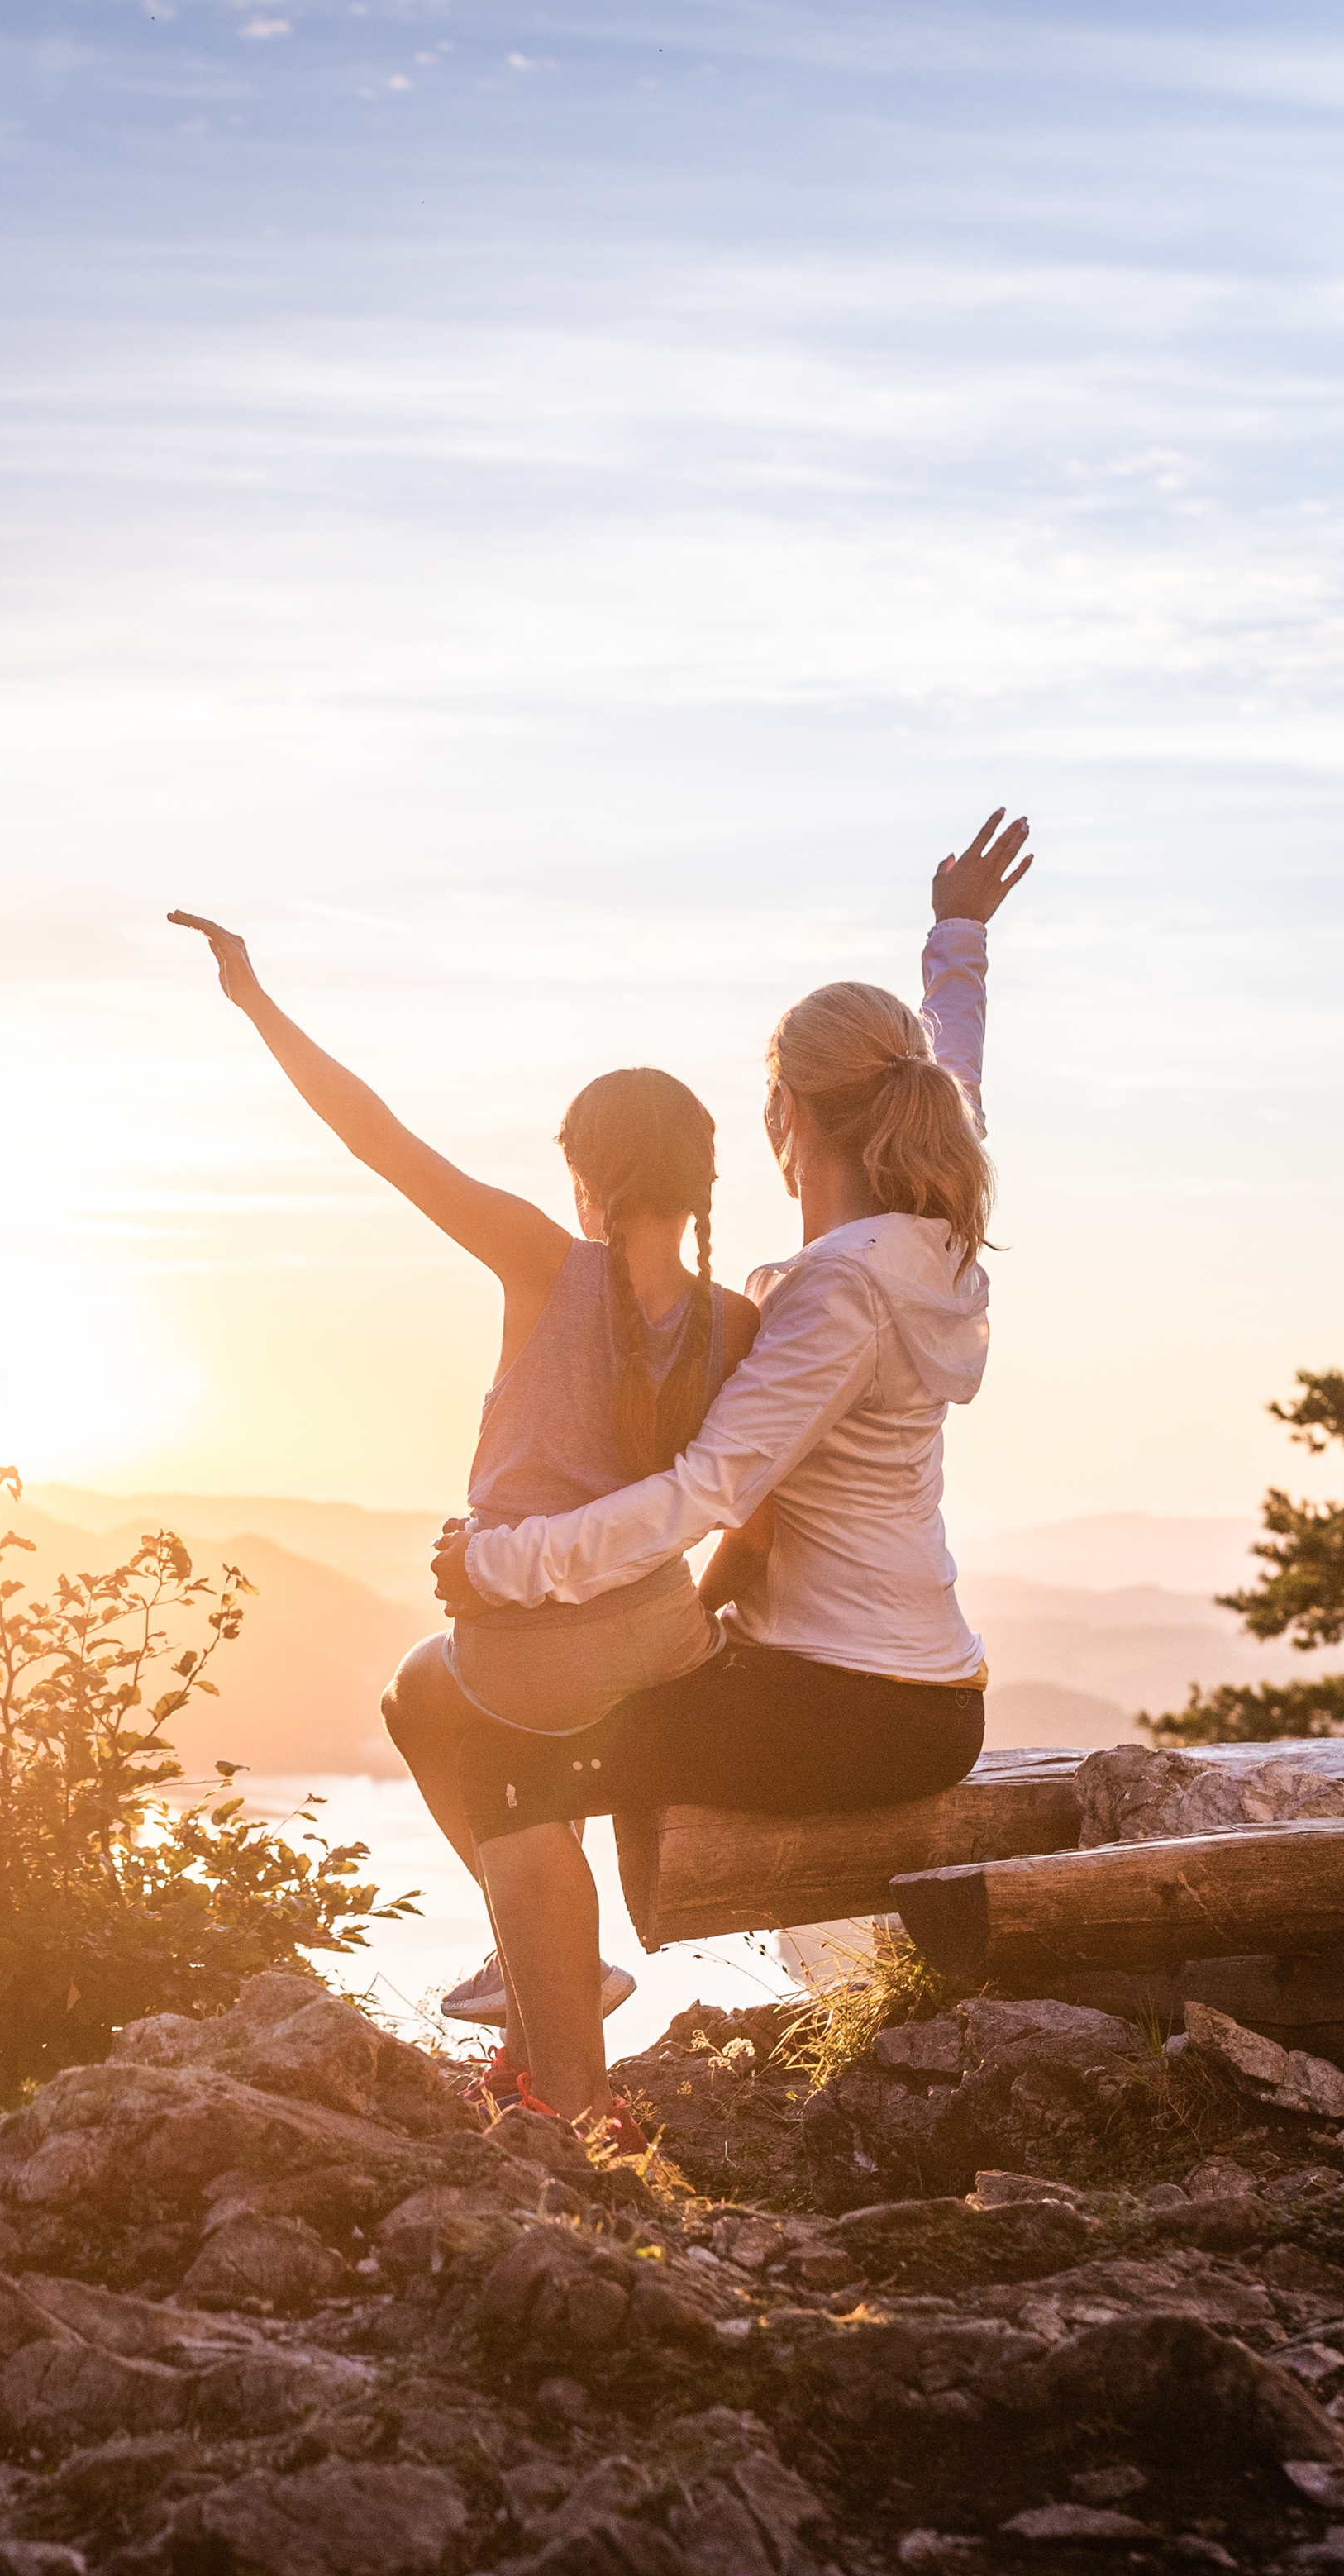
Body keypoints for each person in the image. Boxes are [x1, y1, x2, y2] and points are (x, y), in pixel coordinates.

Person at [403, 809, 1032, 2136]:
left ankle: (572, 2113)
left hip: (845, 1697)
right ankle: (551, 2011)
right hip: (922, 1684)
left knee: (497, 1738)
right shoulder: (933, 1240)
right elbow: (959, 1082)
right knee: (453, 1698)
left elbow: (702, 1489)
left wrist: (500, 1564)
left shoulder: (834, 1298)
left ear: (783, 1117)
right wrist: (956, 939)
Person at [164, 912, 757, 2083]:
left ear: (587, 1179)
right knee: (537, 1738)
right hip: (665, 1640)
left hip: (526, 1644)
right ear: (700, 1182)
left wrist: (255, 1000)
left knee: (419, 1697)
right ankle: (546, 1990)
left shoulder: (543, 1257)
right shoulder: (737, 1319)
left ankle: (553, 1987)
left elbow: (376, 1137)